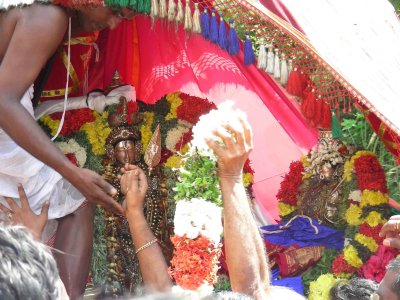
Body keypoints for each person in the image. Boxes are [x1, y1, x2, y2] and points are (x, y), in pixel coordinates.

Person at [0, 2, 137, 298]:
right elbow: (3, 101)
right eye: (115, 12)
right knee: (76, 198)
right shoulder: (50, 14)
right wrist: (72, 173)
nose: (113, 25)